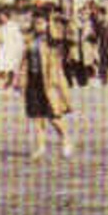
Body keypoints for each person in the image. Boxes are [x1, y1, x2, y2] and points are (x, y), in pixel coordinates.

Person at [17, 15, 73, 159]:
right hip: (33, 79)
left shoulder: (52, 40)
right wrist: (20, 78)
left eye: (41, 22)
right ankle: (41, 147)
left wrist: (54, 19)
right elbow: (24, 60)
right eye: (36, 23)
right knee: (37, 116)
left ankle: (66, 138)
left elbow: (66, 35)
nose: (38, 26)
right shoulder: (30, 40)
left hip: (49, 81)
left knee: (53, 116)